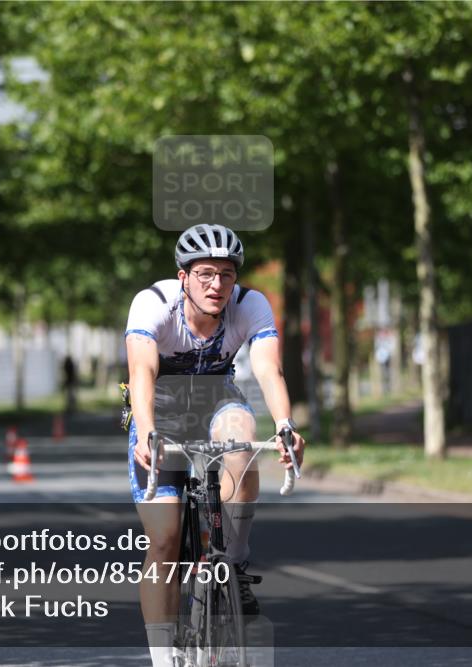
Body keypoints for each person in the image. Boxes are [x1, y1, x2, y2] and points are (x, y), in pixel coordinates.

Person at [124, 223, 305, 667]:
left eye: (226, 274)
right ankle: (164, 657)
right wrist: (146, 429)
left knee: (242, 443)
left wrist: (285, 425)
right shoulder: (153, 304)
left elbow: (268, 369)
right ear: (183, 276)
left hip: (217, 403)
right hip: (161, 410)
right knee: (165, 540)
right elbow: (142, 372)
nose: (216, 284)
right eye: (205, 273)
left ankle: (233, 563)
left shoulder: (250, 304)